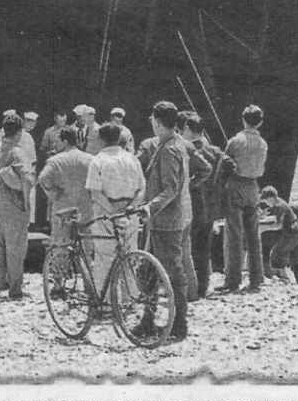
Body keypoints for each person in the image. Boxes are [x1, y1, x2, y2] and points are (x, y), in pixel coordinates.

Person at [139, 101, 192, 341]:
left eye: (153, 119)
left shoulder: (170, 149)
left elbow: (171, 189)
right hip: (164, 220)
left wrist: (150, 207)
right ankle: (148, 320)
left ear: (158, 122)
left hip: (166, 222)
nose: (151, 122)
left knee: (172, 273)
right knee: (148, 270)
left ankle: (179, 324)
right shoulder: (176, 143)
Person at [85, 122, 145, 284]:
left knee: (104, 258)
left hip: (106, 213)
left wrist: (113, 212)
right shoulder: (132, 159)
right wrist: (131, 207)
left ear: (100, 140)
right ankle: (129, 300)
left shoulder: (98, 161)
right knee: (130, 256)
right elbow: (141, 188)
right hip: (130, 213)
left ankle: (106, 305)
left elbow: (96, 193)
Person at [220, 104, 267, 293]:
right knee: (253, 235)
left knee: (234, 234)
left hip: (237, 185)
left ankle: (233, 281)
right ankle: (256, 279)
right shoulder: (263, 143)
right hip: (254, 187)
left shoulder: (236, 140)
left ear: (243, 119)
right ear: (260, 122)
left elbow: (224, 163)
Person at [0, 113, 33, 300]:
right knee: (16, 247)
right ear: (19, 132)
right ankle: (15, 288)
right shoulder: (18, 152)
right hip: (13, 203)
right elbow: (27, 179)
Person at [180, 114, 222, 297]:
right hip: (210, 205)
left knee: (187, 248)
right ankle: (203, 286)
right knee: (204, 248)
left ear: (188, 129)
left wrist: (190, 184)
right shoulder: (214, 151)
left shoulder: (188, 150)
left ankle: (189, 287)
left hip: (194, 203)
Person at [36, 126, 92, 245]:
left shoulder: (55, 160)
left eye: (58, 141)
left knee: (61, 245)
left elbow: (42, 178)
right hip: (85, 208)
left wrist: (53, 193)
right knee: (86, 247)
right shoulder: (90, 159)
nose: (55, 144)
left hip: (63, 209)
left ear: (65, 142)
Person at [259, 186, 298, 285]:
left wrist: (263, 228)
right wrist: (262, 216)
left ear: (271, 198)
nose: (266, 204)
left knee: (277, 252)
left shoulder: (280, 206)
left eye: (266, 201)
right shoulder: (281, 203)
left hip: (292, 234)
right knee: (295, 259)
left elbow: (278, 225)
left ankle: (284, 278)